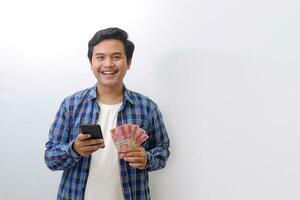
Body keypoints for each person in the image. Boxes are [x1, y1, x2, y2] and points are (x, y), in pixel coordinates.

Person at [44, 27, 170, 200]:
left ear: (129, 62)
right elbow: (50, 158)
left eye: (116, 57)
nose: (108, 64)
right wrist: (74, 149)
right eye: (100, 57)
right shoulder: (71, 105)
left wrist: (147, 159)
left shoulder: (147, 108)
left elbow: (162, 151)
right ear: (91, 63)